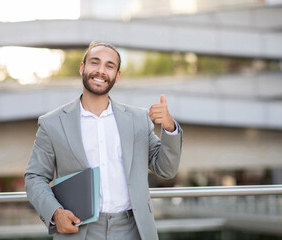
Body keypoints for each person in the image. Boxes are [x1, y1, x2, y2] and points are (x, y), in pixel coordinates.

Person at [24, 41, 182, 240]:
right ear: (82, 68)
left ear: (117, 75)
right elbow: (34, 177)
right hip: (81, 230)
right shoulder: (52, 123)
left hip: (133, 229)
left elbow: (166, 169)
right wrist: (55, 212)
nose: (100, 71)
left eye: (109, 66)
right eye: (94, 63)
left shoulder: (138, 120)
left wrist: (169, 128)